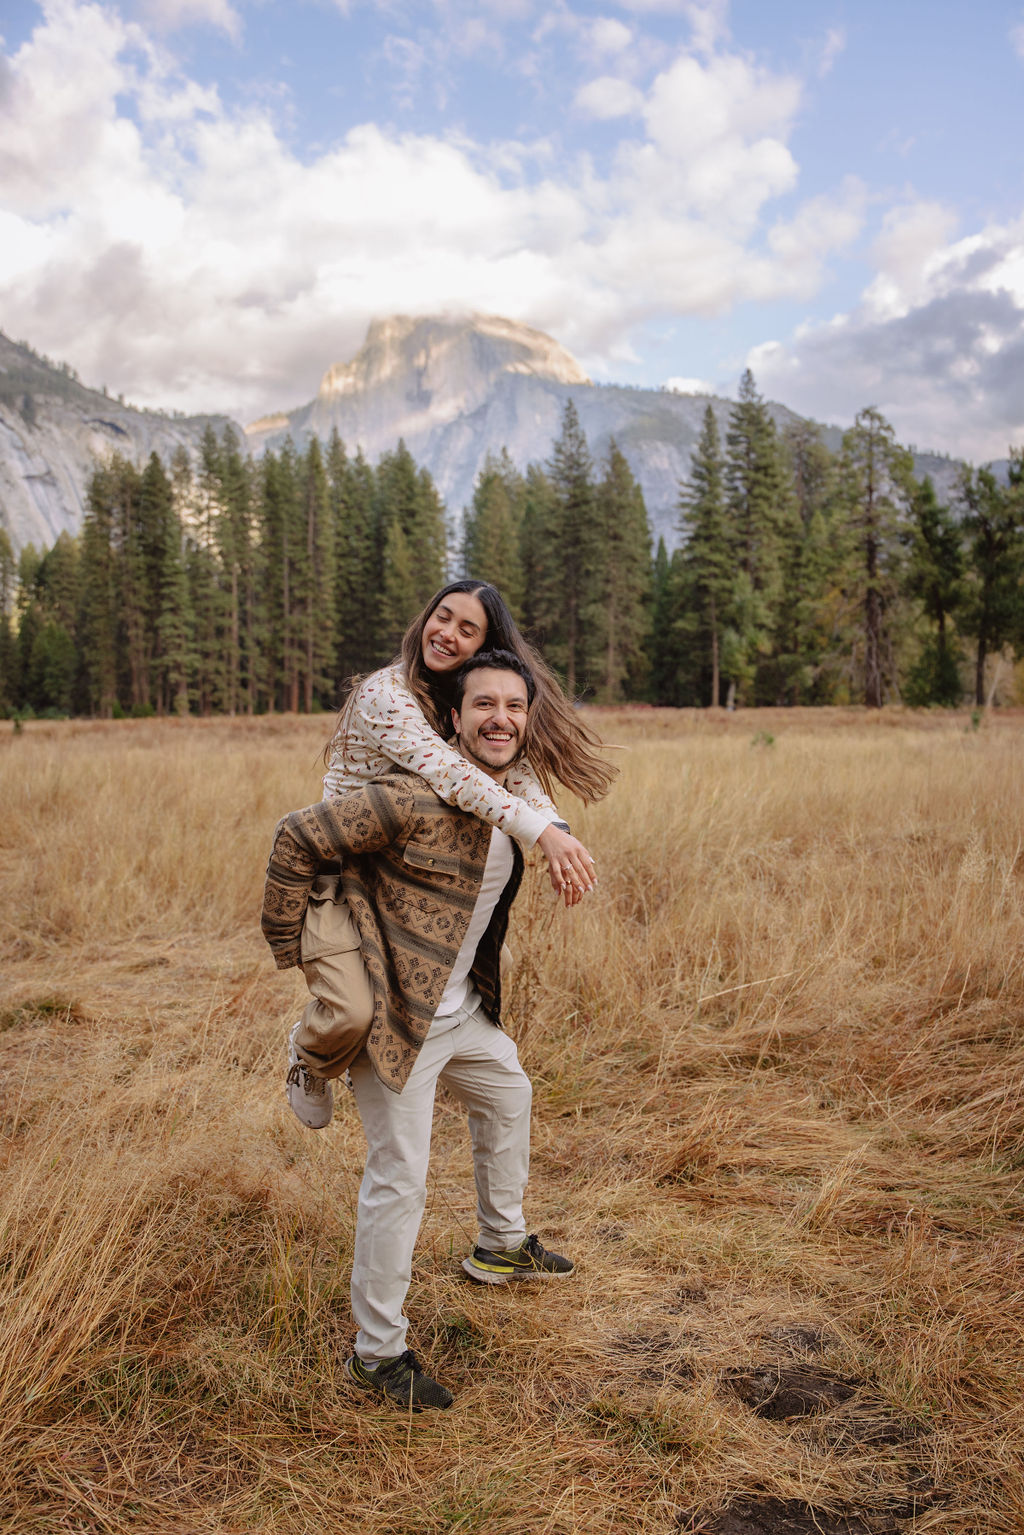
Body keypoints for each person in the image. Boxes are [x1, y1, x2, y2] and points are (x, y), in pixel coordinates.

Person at [261, 650, 582, 1410]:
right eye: (484, 705)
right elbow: (295, 836)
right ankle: (376, 1355)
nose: (500, 717)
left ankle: (499, 1246)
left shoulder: (513, 803)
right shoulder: (409, 796)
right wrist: (295, 947)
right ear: (454, 717)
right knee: (399, 1178)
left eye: (514, 705)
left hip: (462, 1010)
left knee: (509, 1093)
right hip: (399, 1021)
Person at [280, 580, 615, 1130]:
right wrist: (542, 836)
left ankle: (457, 1066)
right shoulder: (386, 695)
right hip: (346, 875)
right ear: (424, 617)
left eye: (468, 629)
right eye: (443, 616)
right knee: (351, 1013)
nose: (447, 634)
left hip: (408, 870)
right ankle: (310, 1056)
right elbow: (453, 774)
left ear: (481, 645)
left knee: (480, 966)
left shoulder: (455, 695)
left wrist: (556, 826)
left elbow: (517, 770)